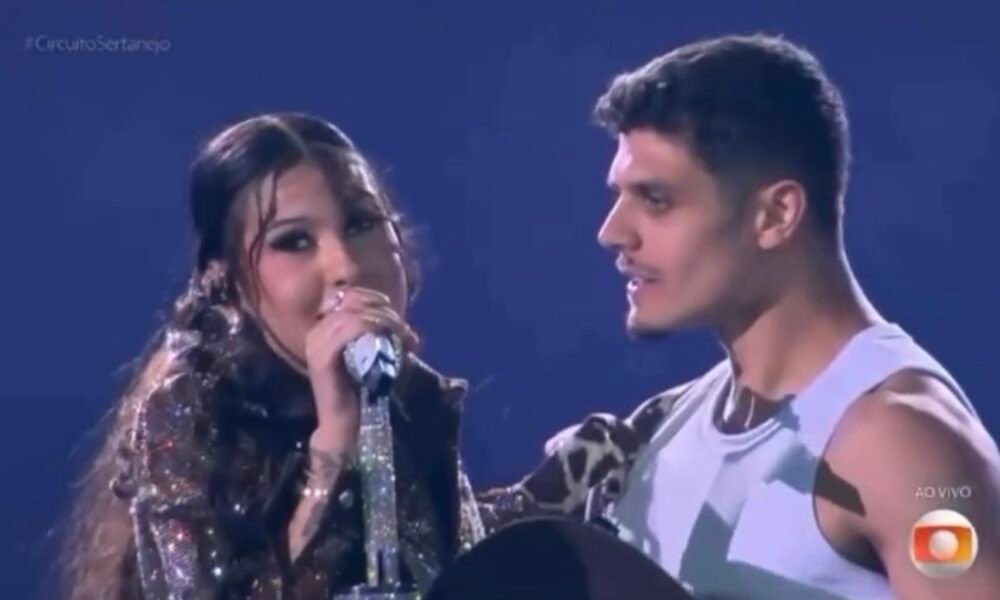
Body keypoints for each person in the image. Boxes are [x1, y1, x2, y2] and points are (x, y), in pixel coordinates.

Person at [499, 34, 1000, 599]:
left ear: (776, 214)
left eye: (656, 199)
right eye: (619, 195)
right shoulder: (658, 430)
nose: (612, 231)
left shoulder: (905, 444)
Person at [59, 112, 536, 599]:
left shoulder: (411, 396)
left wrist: (568, 480)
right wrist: (334, 445)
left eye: (361, 223)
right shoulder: (188, 418)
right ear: (223, 279)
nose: (345, 266)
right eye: (295, 241)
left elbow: (455, 572)